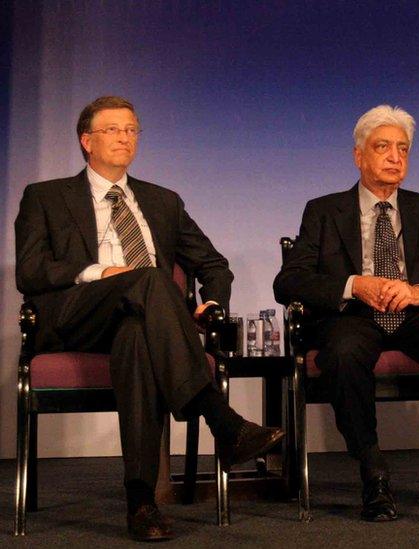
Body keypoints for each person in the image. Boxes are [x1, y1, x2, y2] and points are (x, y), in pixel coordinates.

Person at [14, 96, 284, 542]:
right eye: (113, 129)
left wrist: (212, 305)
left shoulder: (163, 201)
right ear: (86, 141)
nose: (125, 137)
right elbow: (30, 269)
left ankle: (141, 503)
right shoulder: (45, 196)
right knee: (151, 281)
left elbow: (214, 265)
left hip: (140, 319)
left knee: (138, 334)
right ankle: (223, 421)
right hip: (73, 315)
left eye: (132, 129)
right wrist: (102, 272)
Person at [273, 105, 419, 531]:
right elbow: (289, 280)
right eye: (383, 147)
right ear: (359, 156)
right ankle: (373, 473)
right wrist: (354, 285)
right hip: (354, 317)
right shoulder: (323, 211)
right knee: (340, 351)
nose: (395, 157)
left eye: (403, 149)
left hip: (413, 317)